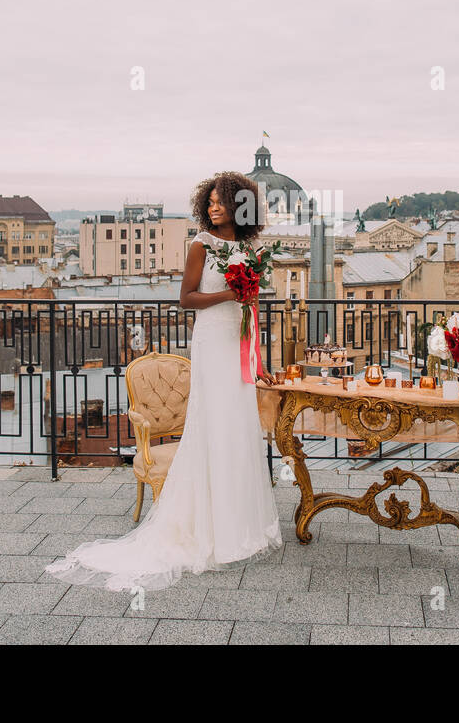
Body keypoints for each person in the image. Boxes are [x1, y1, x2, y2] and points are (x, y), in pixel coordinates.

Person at [43, 171, 283, 592]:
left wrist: (257, 357)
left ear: (240, 205)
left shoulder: (251, 248)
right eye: (208, 201)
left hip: (238, 342)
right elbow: (186, 298)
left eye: (220, 201)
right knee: (214, 425)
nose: (213, 207)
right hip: (211, 342)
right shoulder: (201, 244)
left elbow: (254, 305)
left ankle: (239, 525)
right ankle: (211, 530)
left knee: (238, 428)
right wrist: (231, 294)